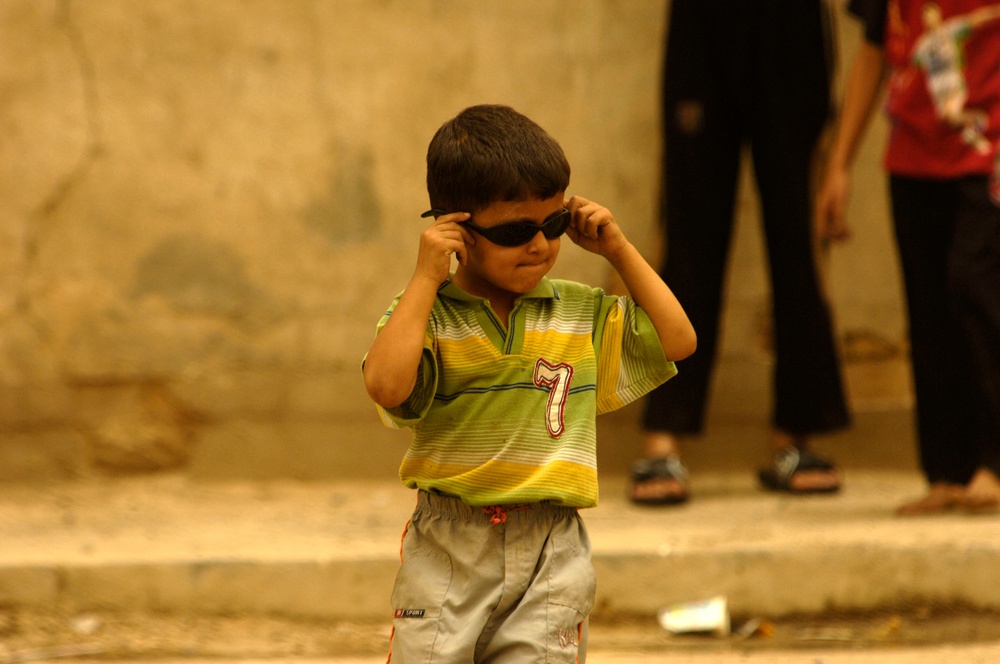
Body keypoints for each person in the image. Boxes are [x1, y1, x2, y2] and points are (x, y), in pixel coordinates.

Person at [362, 104, 696, 662]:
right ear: (456, 229)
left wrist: (618, 247)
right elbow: (387, 385)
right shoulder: (428, 316)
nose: (540, 245)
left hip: (552, 548)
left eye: (553, 224)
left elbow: (679, 340)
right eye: (517, 231)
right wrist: (425, 277)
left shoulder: (578, 311)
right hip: (449, 546)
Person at [631, 0, 851, 506]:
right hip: (703, 18)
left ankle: (795, 435)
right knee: (689, 229)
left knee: (798, 232)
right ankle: (664, 437)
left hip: (791, 25)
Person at [816, 0, 1000, 515]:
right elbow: (873, 51)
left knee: (978, 288)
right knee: (930, 310)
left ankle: (994, 463)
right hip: (913, 158)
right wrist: (840, 165)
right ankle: (948, 471)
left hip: (988, 150)